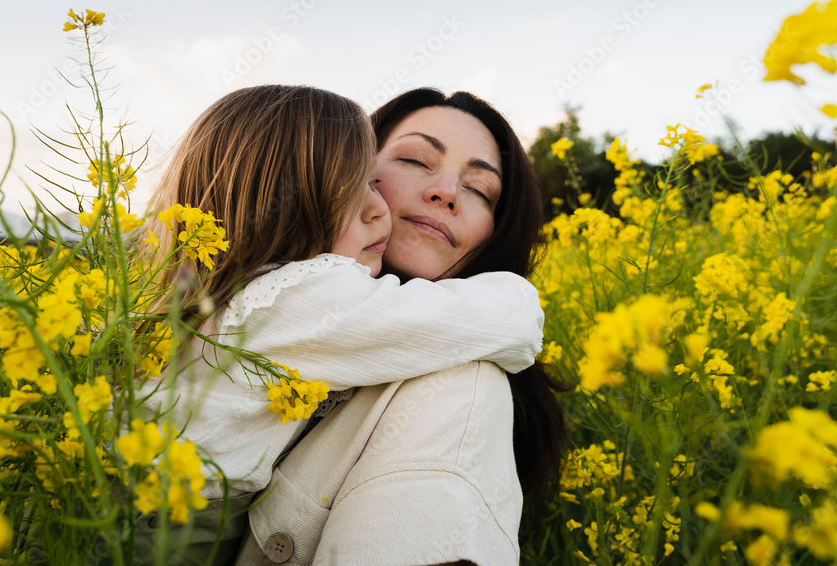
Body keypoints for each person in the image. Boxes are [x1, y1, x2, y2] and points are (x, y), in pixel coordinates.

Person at [128, 85, 548, 564]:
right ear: (285, 199)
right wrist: (517, 292)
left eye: (480, 190)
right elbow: (509, 319)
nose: (446, 193)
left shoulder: (459, 380)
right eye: (411, 161)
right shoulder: (290, 298)